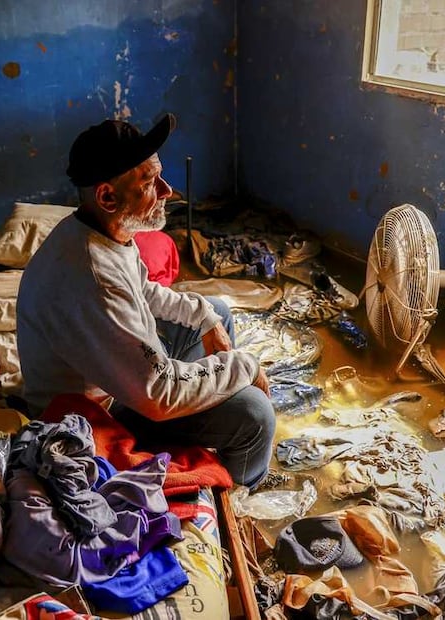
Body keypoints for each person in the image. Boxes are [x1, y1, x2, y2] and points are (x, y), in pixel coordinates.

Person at [17, 113, 276, 489]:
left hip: (115, 376)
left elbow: (144, 290)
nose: (168, 190)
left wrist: (203, 316)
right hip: (97, 415)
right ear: (108, 196)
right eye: (151, 182)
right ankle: (241, 488)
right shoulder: (94, 277)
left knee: (215, 311)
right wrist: (243, 365)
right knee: (256, 415)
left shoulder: (104, 232)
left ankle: (219, 422)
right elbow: (159, 394)